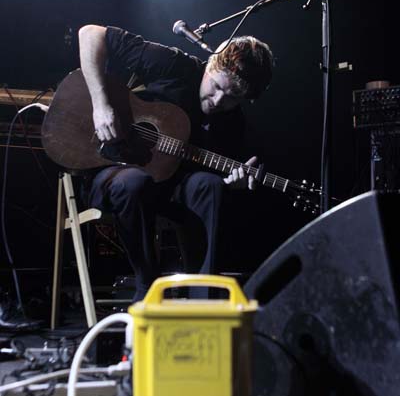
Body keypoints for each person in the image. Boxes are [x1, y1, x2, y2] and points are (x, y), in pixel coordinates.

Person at [78, 24, 273, 299]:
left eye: (232, 98)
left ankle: (203, 295)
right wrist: (101, 106)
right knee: (136, 182)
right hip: (112, 169)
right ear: (210, 64)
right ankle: (146, 286)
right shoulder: (174, 66)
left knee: (210, 186)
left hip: (170, 187)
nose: (218, 101)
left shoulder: (232, 123)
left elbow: (213, 174)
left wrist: (233, 184)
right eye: (216, 86)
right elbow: (89, 34)